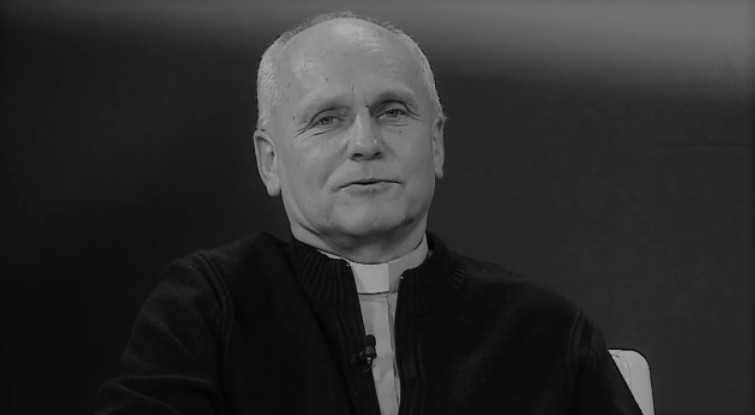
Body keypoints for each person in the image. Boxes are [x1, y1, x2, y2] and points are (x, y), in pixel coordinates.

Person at [96, 11, 643, 415]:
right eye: (326, 119)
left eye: (392, 111)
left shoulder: (543, 333)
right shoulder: (208, 309)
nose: (365, 143)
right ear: (270, 161)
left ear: (436, 144)